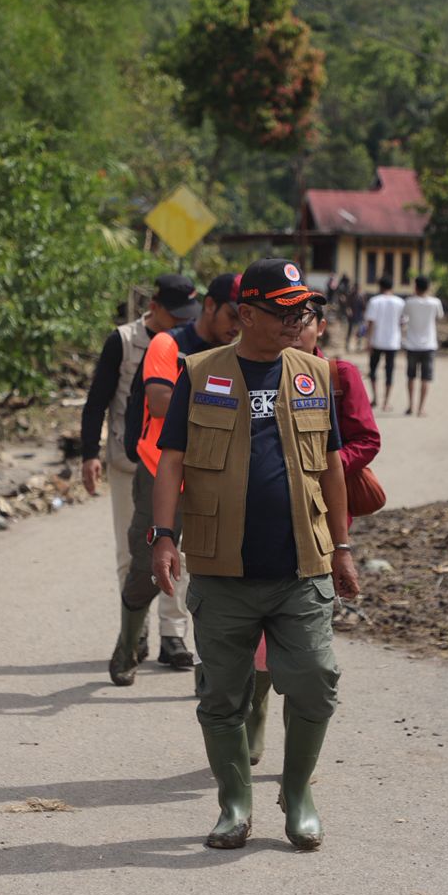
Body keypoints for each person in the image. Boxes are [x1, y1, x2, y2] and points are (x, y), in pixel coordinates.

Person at [151, 257, 362, 852]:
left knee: (316, 679)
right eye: (285, 310)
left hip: (302, 565)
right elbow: (171, 460)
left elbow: (329, 467)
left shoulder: (314, 374)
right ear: (246, 314)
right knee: (222, 694)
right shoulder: (201, 372)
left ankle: (298, 795)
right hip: (223, 569)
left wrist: (343, 547)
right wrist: (162, 536)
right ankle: (234, 803)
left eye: (304, 308)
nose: (300, 318)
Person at [245, 302, 380, 767]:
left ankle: (296, 752)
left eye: (303, 320)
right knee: (263, 621)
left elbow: (367, 440)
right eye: (288, 318)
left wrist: (318, 470)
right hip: (266, 516)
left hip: (324, 515)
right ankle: (256, 708)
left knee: (307, 628)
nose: (294, 328)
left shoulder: (337, 375)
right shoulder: (249, 367)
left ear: (319, 326)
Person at [109, 272, 240, 686]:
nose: (238, 324)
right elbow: (161, 402)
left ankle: (207, 667)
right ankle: (128, 645)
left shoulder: (241, 352)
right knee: (148, 568)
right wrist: (223, 399)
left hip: (217, 474)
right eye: (233, 313)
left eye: (247, 315)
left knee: (213, 575)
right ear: (210, 306)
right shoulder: (170, 343)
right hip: (160, 472)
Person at [80, 275, 198, 669]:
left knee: (173, 549)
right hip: (128, 460)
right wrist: (88, 453)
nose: (178, 321)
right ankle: (136, 634)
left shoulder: (189, 345)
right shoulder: (124, 340)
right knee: (132, 552)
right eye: (174, 313)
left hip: (174, 463)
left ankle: (173, 635)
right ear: (156, 307)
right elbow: (97, 398)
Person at [400, 274, 445, 417]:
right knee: (426, 378)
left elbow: (403, 317)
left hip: (412, 345)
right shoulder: (435, 302)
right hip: (429, 345)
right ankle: (421, 408)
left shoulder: (409, 302)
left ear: (415, 286)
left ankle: (410, 406)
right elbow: (440, 317)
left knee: (411, 376)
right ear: (429, 287)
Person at [362, 275, 404, 410]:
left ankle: (375, 398)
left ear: (380, 286)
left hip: (376, 341)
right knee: (389, 371)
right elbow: (403, 322)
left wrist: (368, 341)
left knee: (373, 369)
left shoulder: (375, 301)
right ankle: (386, 402)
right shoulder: (400, 302)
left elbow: (370, 323)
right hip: (393, 342)